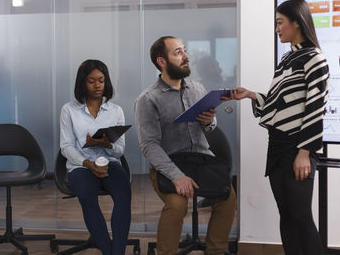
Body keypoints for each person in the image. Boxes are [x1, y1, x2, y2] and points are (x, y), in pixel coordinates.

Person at [223, 0, 329, 255]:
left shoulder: (315, 58)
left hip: (297, 146)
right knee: (287, 215)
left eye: (280, 23)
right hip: (278, 144)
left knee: (301, 216)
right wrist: (249, 95)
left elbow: (316, 108)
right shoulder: (286, 60)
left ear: (297, 23)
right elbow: (278, 103)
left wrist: (305, 153)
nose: (277, 28)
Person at [135, 36, 236, 255]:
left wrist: (209, 122)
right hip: (170, 165)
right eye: (178, 52)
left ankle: (216, 251)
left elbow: (210, 128)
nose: (186, 56)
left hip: (201, 161)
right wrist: (176, 176)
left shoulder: (197, 88)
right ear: (162, 62)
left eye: (184, 51)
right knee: (177, 205)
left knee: (228, 198)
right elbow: (149, 145)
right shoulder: (148, 99)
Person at [60, 59, 131, 255]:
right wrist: (87, 163)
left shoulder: (116, 111)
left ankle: (117, 252)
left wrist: (106, 144)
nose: (98, 85)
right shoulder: (69, 110)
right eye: (92, 81)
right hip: (81, 166)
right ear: (83, 82)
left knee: (124, 197)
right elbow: (65, 146)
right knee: (87, 197)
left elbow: (120, 150)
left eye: (101, 80)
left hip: (110, 163)